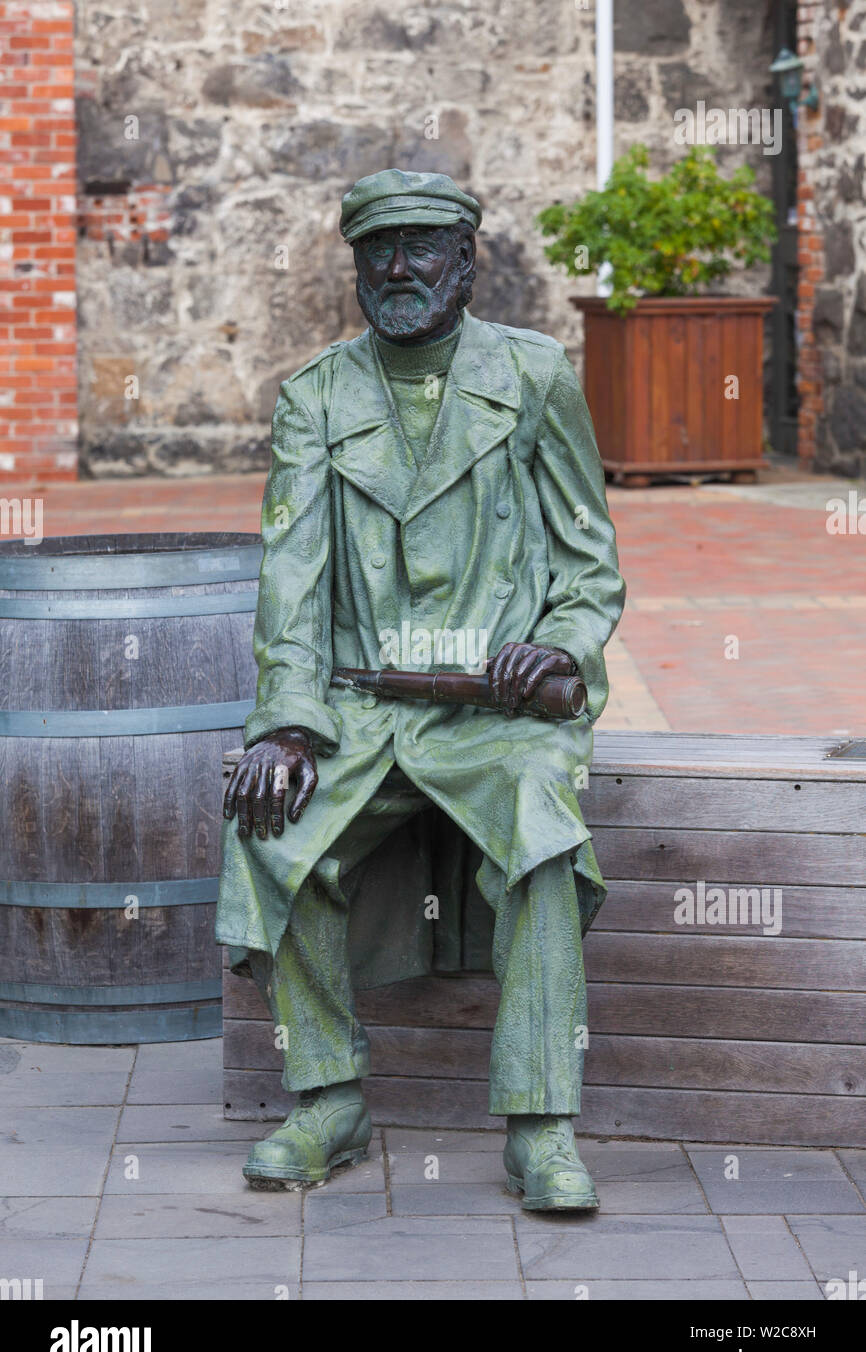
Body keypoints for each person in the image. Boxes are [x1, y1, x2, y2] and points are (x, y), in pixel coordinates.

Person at [215, 169, 626, 1211]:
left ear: (465, 260)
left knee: (541, 826)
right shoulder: (315, 396)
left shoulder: (532, 377)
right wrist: (285, 721)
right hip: (359, 706)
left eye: (420, 246)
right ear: (355, 264)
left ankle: (539, 1123)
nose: (397, 267)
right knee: (273, 826)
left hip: (497, 710)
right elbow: (291, 577)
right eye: (376, 249)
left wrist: (563, 651)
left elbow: (589, 564)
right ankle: (327, 1097)